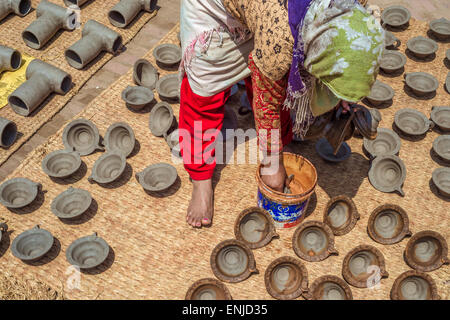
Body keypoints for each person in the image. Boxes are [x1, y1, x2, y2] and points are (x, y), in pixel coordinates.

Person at [179, 0, 384, 228]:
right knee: (205, 92)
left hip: (270, 18)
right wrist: (272, 163)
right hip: (216, 11)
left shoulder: (354, 6)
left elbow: (349, 48)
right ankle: (201, 179)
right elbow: (267, 103)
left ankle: (282, 138)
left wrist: (343, 94)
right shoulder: (280, 41)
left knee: (275, 73)